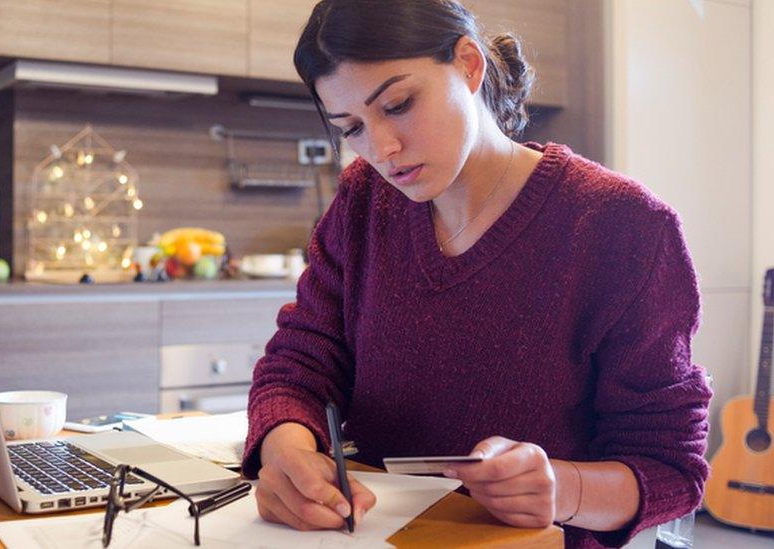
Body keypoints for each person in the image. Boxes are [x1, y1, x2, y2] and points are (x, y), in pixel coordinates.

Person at [241, 1, 712, 547]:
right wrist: (288, 453)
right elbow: (300, 362)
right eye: (352, 129)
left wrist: (564, 488)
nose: (381, 150)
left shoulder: (622, 226)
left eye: (397, 104)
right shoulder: (363, 203)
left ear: (468, 64)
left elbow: (672, 467)